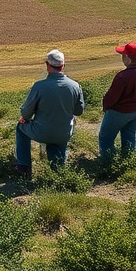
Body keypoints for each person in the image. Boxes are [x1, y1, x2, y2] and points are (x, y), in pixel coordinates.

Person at [14, 48, 85, 179]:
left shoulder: (39, 86)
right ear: (63, 66)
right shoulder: (75, 86)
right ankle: (58, 173)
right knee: (57, 144)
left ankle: (24, 168)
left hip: (42, 132)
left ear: (47, 65)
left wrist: (24, 119)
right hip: (63, 133)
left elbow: (26, 112)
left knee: (20, 128)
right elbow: (79, 111)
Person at [98, 42, 136, 164]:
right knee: (129, 135)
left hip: (119, 112)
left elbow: (111, 97)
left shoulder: (122, 76)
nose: (122, 58)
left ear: (128, 58)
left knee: (105, 138)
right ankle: (128, 161)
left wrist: (106, 107)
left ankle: (109, 163)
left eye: (123, 55)